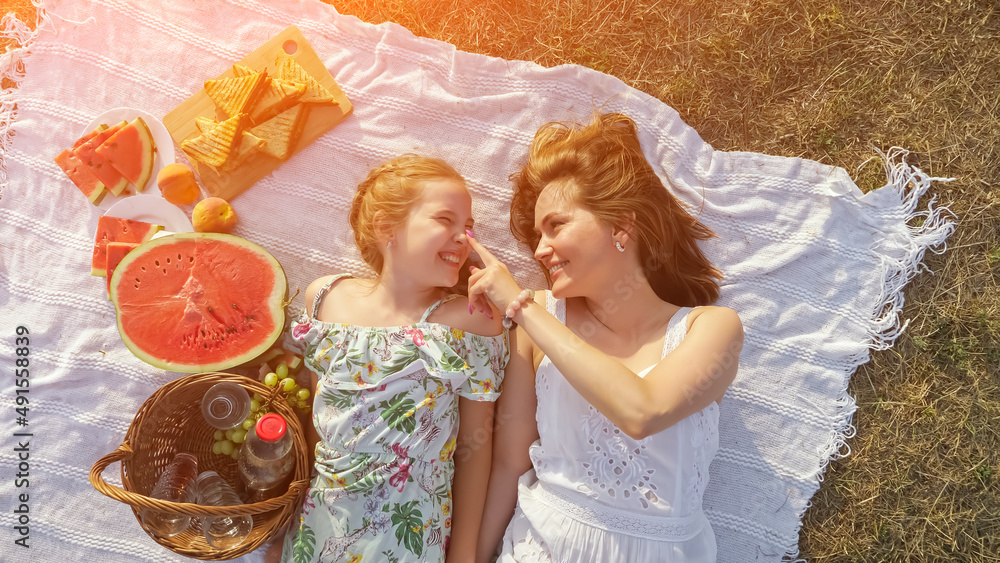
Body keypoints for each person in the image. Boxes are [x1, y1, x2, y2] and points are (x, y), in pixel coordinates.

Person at [470, 113, 743, 562]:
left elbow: (643, 410)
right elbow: (509, 466)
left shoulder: (712, 328)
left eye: (556, 226)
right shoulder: (538, 321)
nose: (539, 249)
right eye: (537, 235)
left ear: (621, 226)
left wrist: (519, 306)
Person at [269, 154, 509, 563]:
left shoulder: (472, 323)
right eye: (444, 220)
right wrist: (289, 525)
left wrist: (464, 554)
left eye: (467, 227)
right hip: (319, 526)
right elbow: (318, 423)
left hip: (408, 534)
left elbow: (476, 448)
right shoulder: (326, 298)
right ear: (386, 228)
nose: (464, 238)